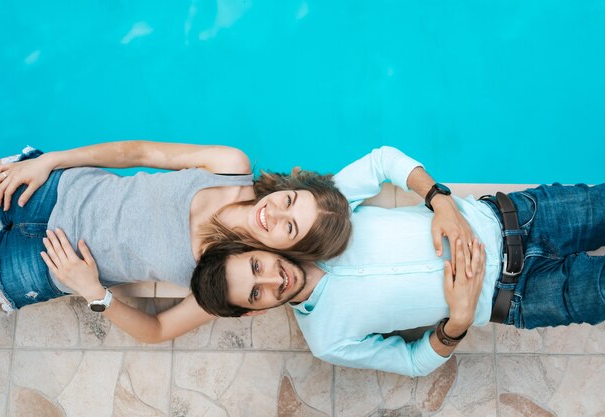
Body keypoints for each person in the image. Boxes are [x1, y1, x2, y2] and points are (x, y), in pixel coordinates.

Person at [189, 146, 605, 377]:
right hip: (522, 298)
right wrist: (457, 322)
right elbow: (412, 362)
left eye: (256, 267)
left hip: (517, 216)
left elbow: (382, 160)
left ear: (256, 249)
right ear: (252, 311)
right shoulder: (326, 341)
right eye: (256, 293)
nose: (272, 280)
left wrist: (439, 201)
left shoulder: (319, 218)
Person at [0, 141, 352, 343]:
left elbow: (157, 332)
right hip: (54, 190)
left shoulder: (235, 273)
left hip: (42, 265)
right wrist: (53, 161)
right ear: (290, 188)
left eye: (289, 228)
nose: (274, 213)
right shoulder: (230, 165)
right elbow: (138, 153)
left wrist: (96, 295)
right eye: (289, 201)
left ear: (291, 248)